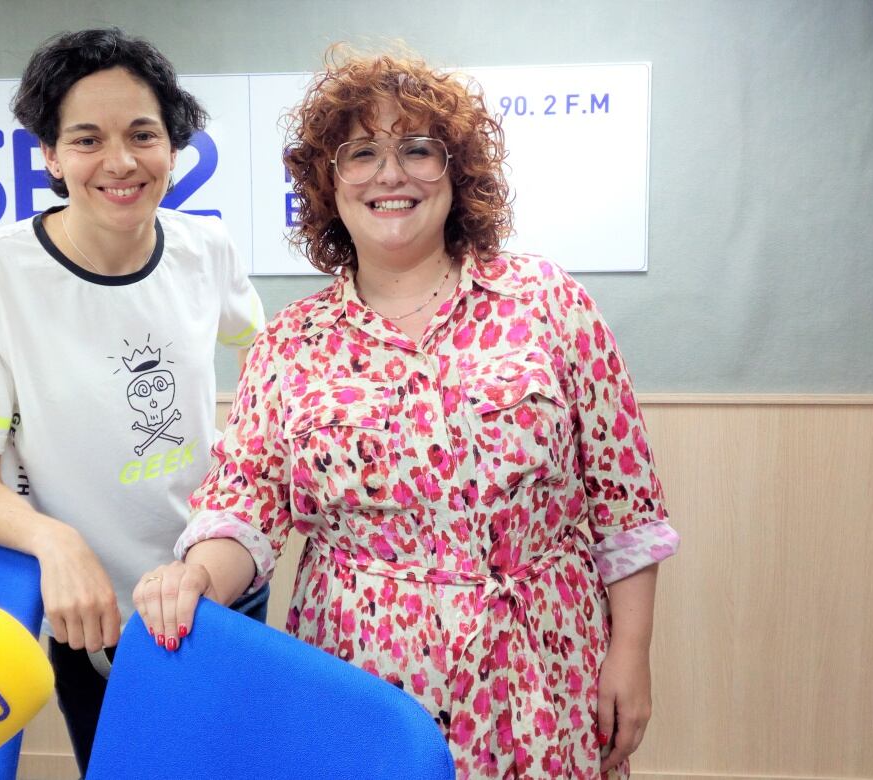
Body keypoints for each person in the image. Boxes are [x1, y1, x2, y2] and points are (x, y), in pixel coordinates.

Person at [134, 49, 679, 779]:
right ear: (329, 182)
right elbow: (245, 508)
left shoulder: (548, 302)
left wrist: (631, 656)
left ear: (458, 171)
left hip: (543, 669)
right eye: (362, 153)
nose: (391, 175)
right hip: (364, 680)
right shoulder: (292, 343)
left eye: (418, 149)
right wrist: (197, 577)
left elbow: (626, 502)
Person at [0, 28, 267, 775]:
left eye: (144, 134)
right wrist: (55, 542)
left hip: (222, 596)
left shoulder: (209, 250)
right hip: (96, 613)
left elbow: (267, 373)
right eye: (86, 138)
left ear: (174, 149)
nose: (120, 161)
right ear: (49, 155)